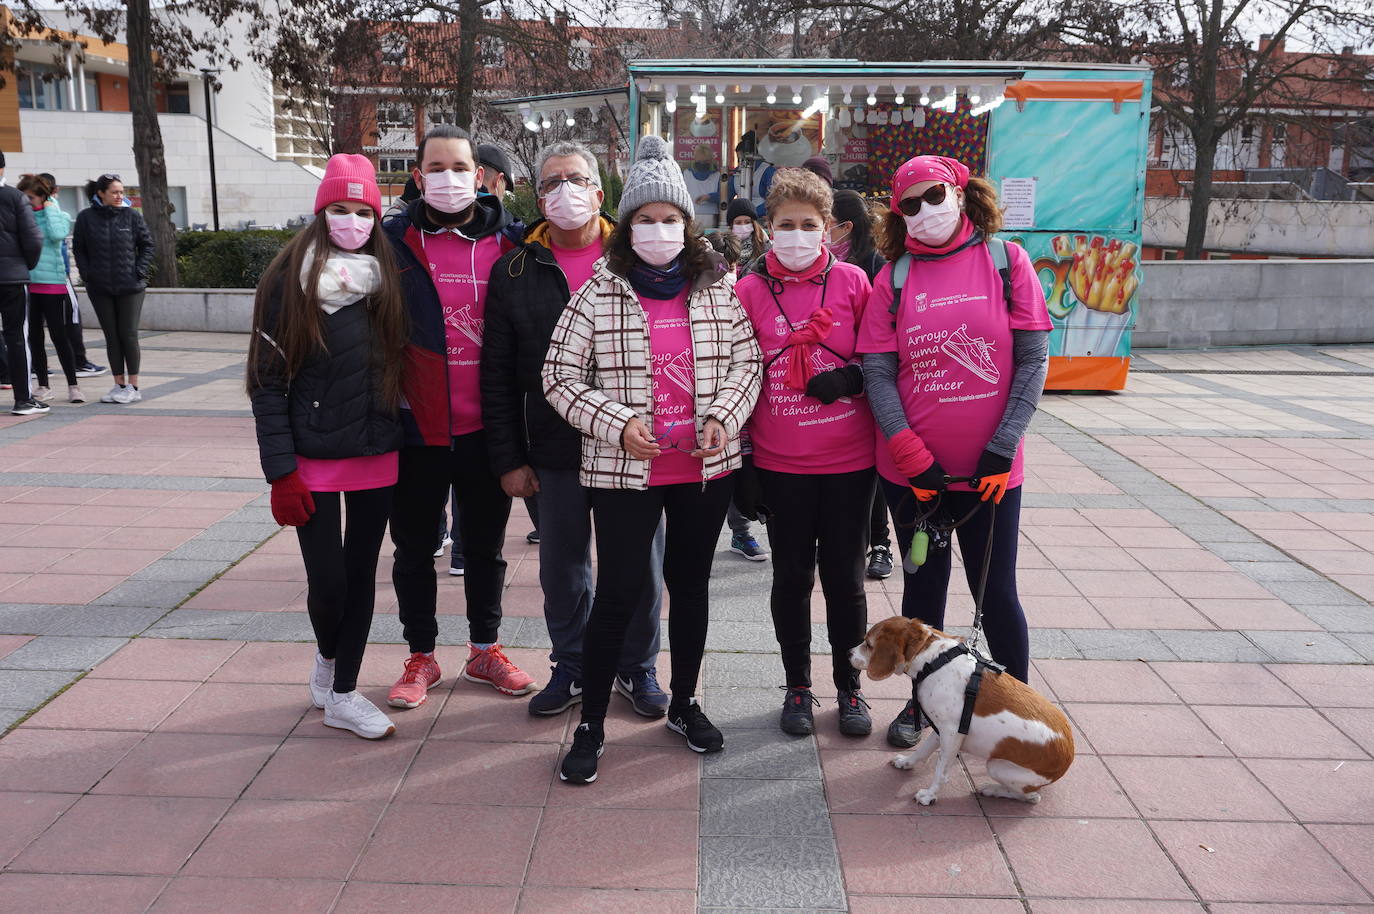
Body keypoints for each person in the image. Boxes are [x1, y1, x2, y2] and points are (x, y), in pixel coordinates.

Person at [544, 134, 761, 784]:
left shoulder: (718, 289)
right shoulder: (599, 292)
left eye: (669, 219)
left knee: (690, 590)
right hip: (623, 474)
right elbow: (558, 377)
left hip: (702, 470)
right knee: (618, 595)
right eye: (646, 219)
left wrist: (724, 415)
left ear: (687, 225)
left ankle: (686, 701)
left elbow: (746, 365)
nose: (659, 230)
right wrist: (617, 424)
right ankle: (592, 727)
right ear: (628, 226)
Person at [857, 155, 1051, 749]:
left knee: (996, 594)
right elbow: (879, 374)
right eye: (908, 204)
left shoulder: (1007, 262)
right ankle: (922, 708)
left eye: (933, 195)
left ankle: (1018, 708)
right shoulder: (893, 277)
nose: (923, 211)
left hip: (991, 475)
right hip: (914, 477)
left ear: (962, 193)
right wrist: (913, 458)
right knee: (923, 595)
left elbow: (1033, 360)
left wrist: (1002, 446)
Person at [482, 139, 669, 718]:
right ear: (538, 196)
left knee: (639, 566)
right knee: (562, 567)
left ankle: (637, 668)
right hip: (554, 448)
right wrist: (509, 458)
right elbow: (497, 374)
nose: (566, 191)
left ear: (598, 189)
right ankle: (574, 665)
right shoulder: (515, 268)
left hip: (632, 447)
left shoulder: (637, 256)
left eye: (577, 178)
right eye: (553, 182)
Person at [248, 154, 408, 739]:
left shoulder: (388, 279)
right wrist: (280, 471)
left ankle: (344, 692)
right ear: (321, 214)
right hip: (312, 460)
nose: (353, 221)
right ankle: (326, 657)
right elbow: (267, 383)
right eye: (340, 209)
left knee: (362, 576)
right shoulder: (284, 284)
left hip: (376, 450)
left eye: (364, 210)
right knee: (329, 582)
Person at [382, 125, 536, 710]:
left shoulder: (512, 243)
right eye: (436, 168)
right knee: (415, 550)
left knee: (486, 547)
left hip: (487, 428)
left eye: (460, 167)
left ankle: (484, 650)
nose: (449, 178)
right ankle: (421, 656)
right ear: (419, 177)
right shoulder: (390, 242)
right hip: (415, 427)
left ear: (481, 175)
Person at [733, 168, 877, 737]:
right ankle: (797, 685)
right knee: (791, 577)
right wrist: (744, 461)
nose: (797, 235)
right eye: (785, 225)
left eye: (808, 225)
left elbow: (882, 363)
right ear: (769, 229)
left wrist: (850, 380)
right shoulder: (747, 290)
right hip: (779, 462)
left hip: (849, 463)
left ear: (828, 229)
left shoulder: (853, 284)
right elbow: (735, 375)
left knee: (846, 580)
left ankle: (850, 688)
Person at [831, 188, 893, 580]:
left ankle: (881, 542)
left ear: (845, 226)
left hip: (868, 378)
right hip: (830, 385)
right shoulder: (825, 264)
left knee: (875, 471)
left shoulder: (873, 264)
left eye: (824, 221)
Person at [707, 230, 769, 563]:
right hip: (705, 407)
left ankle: (741, 533)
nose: (725, 270)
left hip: (742, 406)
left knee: (739, 474)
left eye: (730, 263)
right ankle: (700, 541)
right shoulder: (698, 293)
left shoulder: (745, 290)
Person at [72, 174, 153, 405]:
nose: (120, 196)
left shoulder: (132, 216)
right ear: (101, 193)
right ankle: (119, 384)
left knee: (128, 334)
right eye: (115, 192)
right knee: (112, 336)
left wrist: (139, 271)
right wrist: (88, 275)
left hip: (131, 287)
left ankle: (133, 386)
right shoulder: (86, 218)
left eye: (121, 192)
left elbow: (147, 245)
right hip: (100, 287)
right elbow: (79, 249)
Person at [18, 175, 82, 404]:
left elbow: (57, 234)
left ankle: (73, 385)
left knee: (59, 336)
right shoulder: (23, 218)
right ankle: (43, 384)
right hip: (28, 283)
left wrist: (50, 207)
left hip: (53, 284)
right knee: (34, 337)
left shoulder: (57, 215)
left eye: (31, 198)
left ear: (43, 197)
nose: (26, 202)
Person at [38, 172, 105, 379]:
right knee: (69, 318)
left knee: (54, 322)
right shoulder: (49, 210)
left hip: (49, 275)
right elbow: (58, 235)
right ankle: (78, 362)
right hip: (54, 276)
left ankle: (45, 365)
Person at [0, 149, 45, 416]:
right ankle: (23, 399)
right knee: (17, 336)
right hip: (11, 278)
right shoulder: (15, 198)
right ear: (3, 169)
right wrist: (25, 265)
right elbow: (33, 238)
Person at [725, 198, 768, 269]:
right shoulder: (724, 243)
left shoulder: (763, 242)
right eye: (738, 223)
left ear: (753, 223)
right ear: (731, 225)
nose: (743, 226)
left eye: (747, 222)